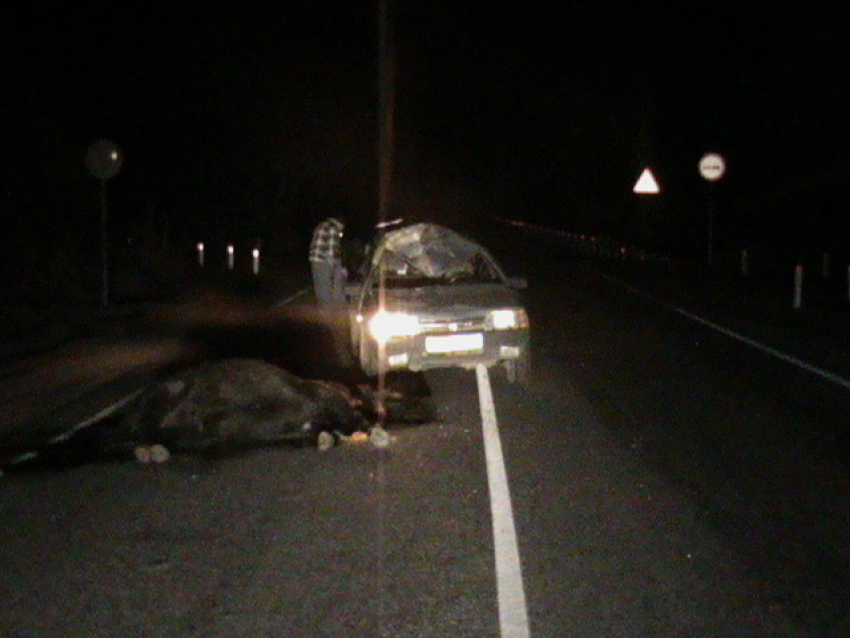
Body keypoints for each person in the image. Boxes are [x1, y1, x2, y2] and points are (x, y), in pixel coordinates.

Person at [309, 217, 347, 308]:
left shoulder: (321, 225)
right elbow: (331, 251)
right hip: (324, 261)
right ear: (340, 224)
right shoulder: (333, 228)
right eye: (342, 228)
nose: (341, 231)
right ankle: (329, 314)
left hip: (314, 259)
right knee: (326, 289)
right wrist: (338, 269)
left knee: (320, 287)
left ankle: (323, 310)